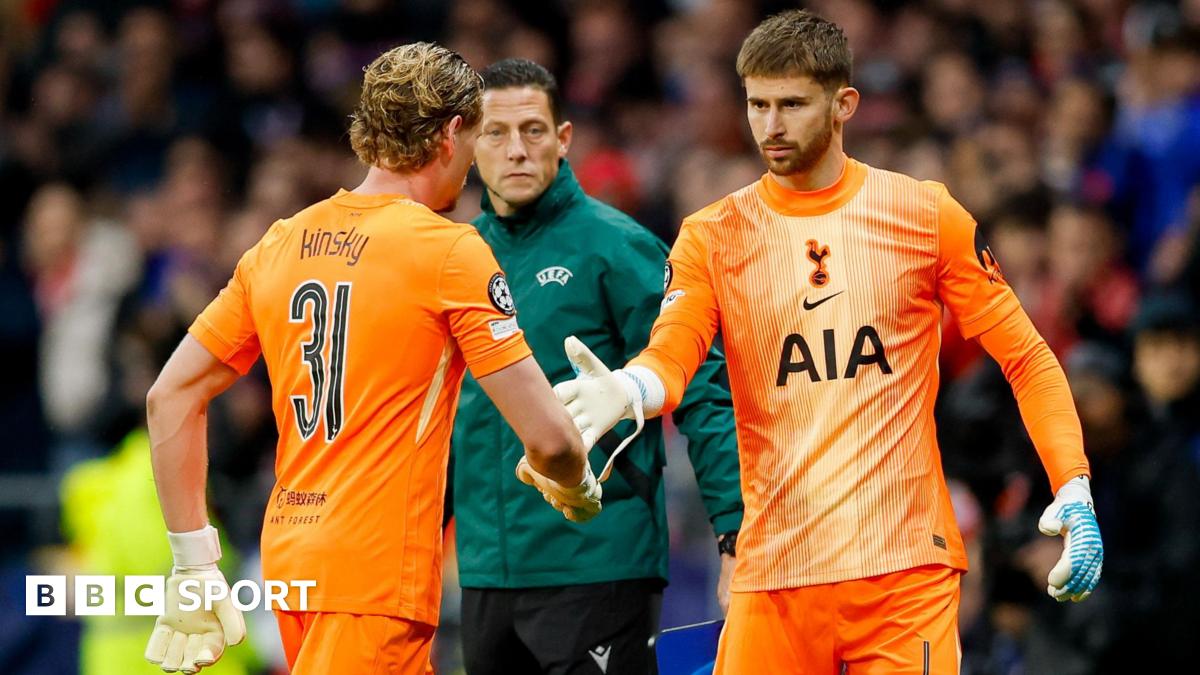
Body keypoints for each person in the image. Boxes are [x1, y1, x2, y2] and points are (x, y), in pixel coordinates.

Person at [545, 11, 1103, 674]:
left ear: (844, 105)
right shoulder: (712, 235)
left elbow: (1027, 356)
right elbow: (675, 354)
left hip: (903, 572)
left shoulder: (924, 215)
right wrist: (630, 388)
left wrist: (1073, 481)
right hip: (775, 571)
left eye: (791, 105)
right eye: (756, 104)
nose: (770, 126)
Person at [142, 42, 596, 675]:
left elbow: (170, 397)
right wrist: (576, 482)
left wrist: (194, 561)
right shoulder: (448, 252)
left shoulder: (280, 243)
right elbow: (548, 439)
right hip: (375, 573)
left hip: (292, 559)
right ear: (451, 133)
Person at [449, 58, 743, 675]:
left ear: (564, 139)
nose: (516, 150)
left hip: (599, 562)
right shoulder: (453, 259)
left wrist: (735, 535)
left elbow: (702, 389)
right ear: (469, 144)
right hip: (484, 571)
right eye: (495, 133)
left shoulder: (619, 246)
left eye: (533, 130)